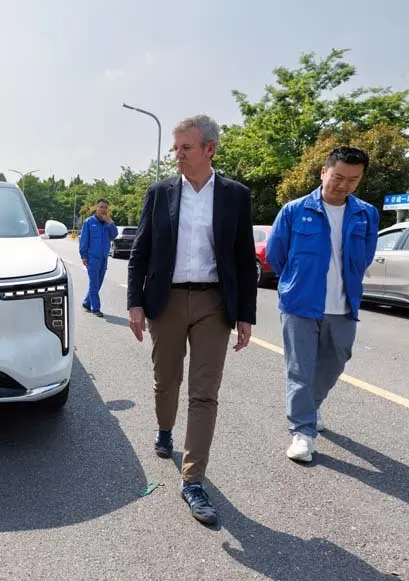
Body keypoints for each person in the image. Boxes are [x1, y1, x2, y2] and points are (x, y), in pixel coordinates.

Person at [127, 115, 258, 525]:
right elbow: (141, 251)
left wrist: (245, 315)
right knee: (167, 380)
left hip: (213, 304)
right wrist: (135, 303)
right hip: (165, 302)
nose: (176, 155)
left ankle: (193, 481)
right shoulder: (160, 192)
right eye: (175, 148)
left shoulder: (235, 195)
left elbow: (242, 257)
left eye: (185, 147)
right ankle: (164, 429)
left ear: (209, 150)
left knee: (204, 393)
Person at [264, 146, 379, 463]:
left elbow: (365, 256)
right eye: (338, 177)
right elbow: (276, 256)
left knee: (335, 362)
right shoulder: (294, 210)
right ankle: (302, 432)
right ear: (323, 173)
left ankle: (311, 406)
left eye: (353, 180)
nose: (343, 185)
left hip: (343, 306)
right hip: (300, 303)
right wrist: (301, 279)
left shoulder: (366, 214)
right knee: (300, 370)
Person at [79, 198, 119, 317]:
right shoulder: (89, 222)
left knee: (99, 283)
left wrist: (111, 223)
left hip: (104, 258)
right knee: (94, 283)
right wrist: (83, 256)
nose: (103, 209)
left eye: (105, 207)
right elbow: (84, 241)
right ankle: (95, 308)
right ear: (96, 208)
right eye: (101, 207)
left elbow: (114, 235)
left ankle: (86, 302)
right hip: (92, 258)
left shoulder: (108, 223)